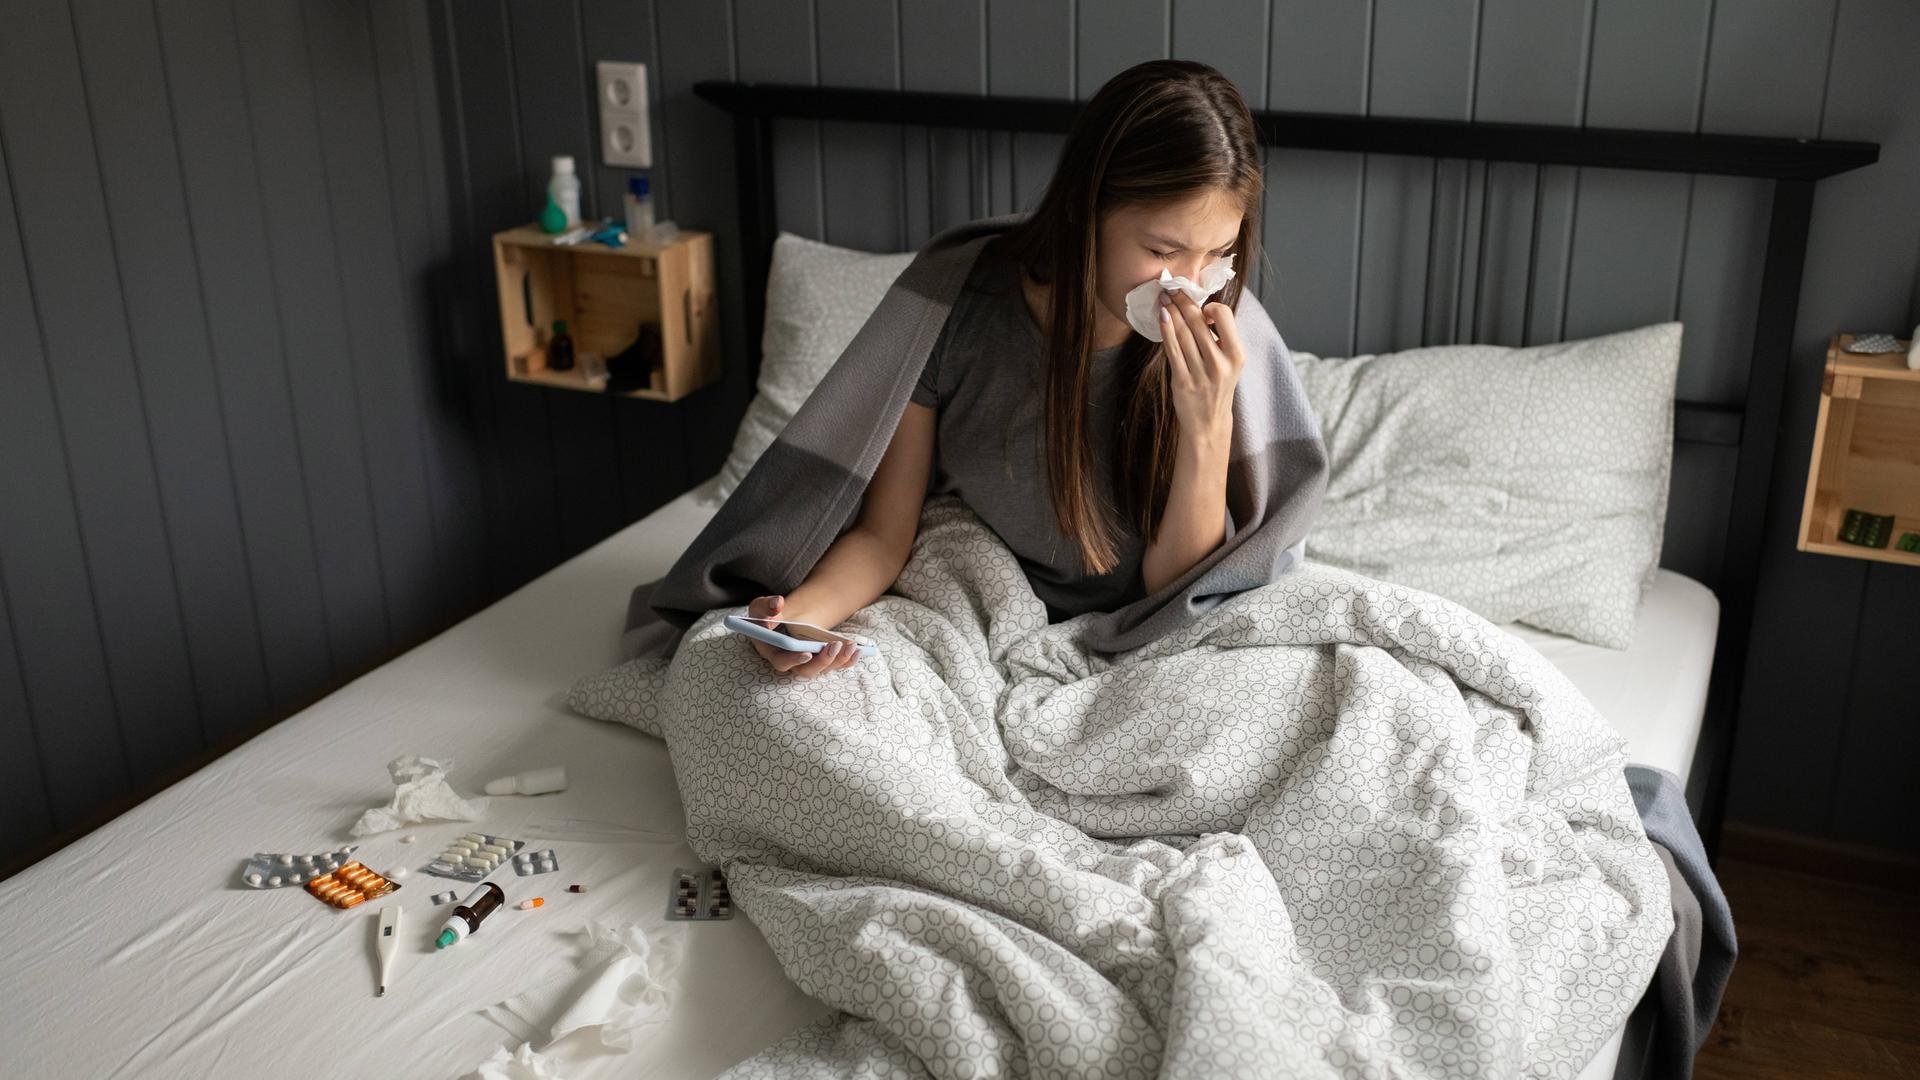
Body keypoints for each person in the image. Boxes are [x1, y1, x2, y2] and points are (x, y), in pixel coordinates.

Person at [747, 59, 1285, 677]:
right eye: (1162, 250)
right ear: (1086, 215)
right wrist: (798, 619)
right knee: (757, 694)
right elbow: (883, 536)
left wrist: (1207, 423)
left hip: (1144, 641)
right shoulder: (955, 310)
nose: (1186, 287)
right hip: (973, 603)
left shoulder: (1221, 329)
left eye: (1216, 253)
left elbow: (1177, 593)